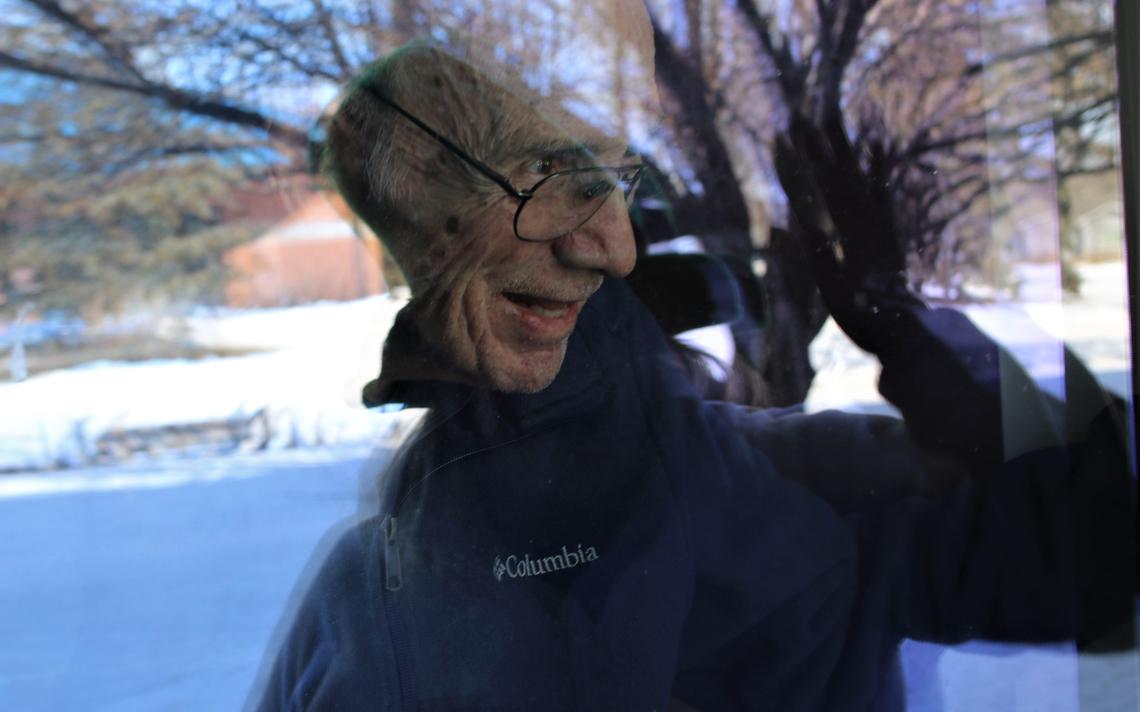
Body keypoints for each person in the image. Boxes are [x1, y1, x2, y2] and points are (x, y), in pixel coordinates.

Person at [251, 36, 1135, 712]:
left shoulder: (367, 594)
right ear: (428, 258)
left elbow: (1095, 559)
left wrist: (926, 341)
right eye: (537, 181)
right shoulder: (377, 588)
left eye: (610, 187)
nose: (609, 240)